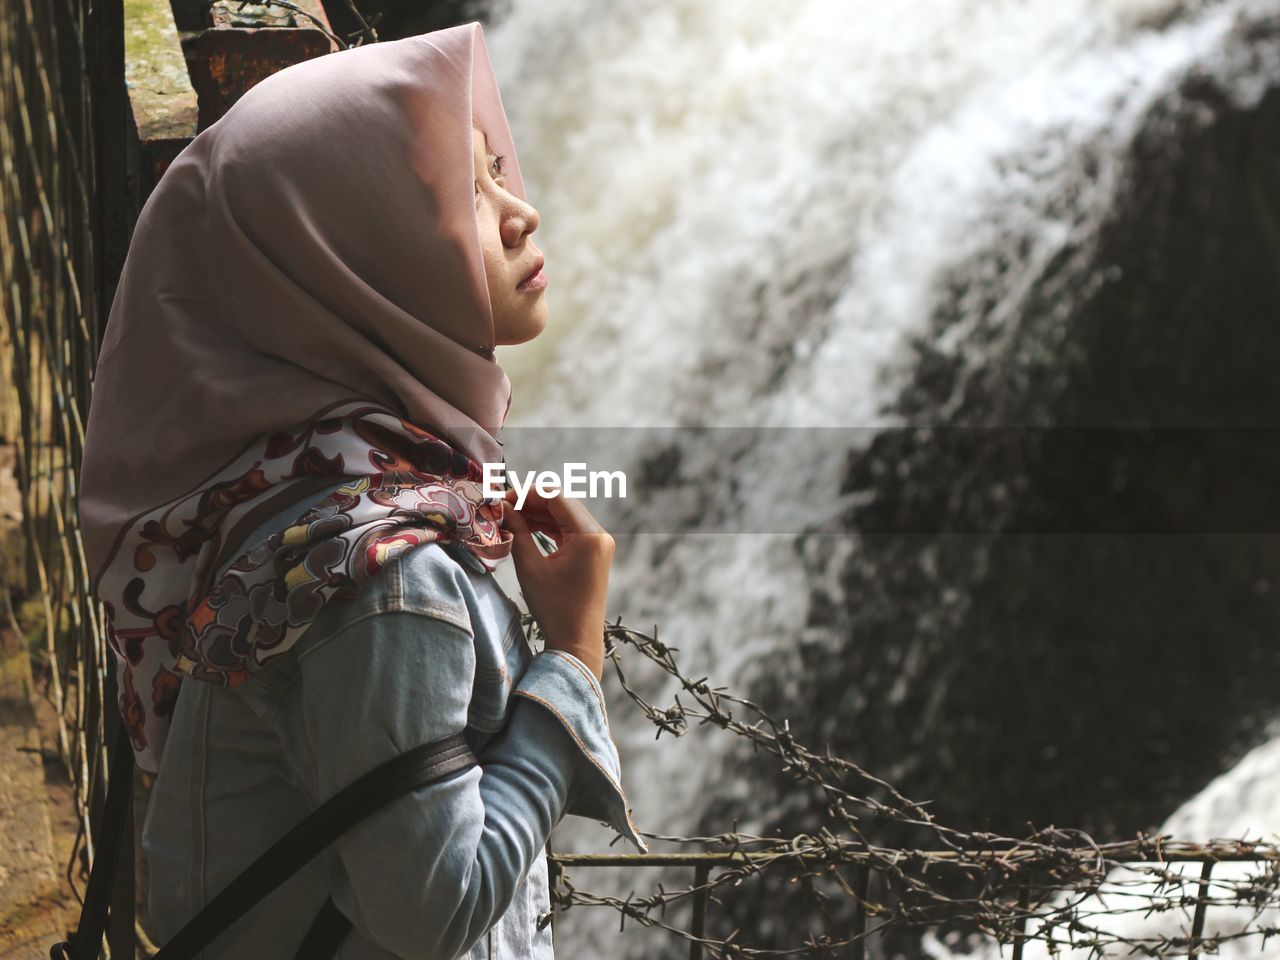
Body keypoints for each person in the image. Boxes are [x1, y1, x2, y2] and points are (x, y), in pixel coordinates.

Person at [76, 21, 646, 959]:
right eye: (465, 196)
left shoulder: (286, 475)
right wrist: (575, 661)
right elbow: (431, 914)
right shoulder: (386, 580)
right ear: (355, 260)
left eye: (497, 169)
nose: (520, 213)